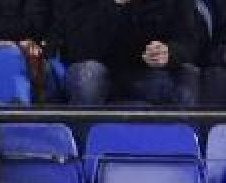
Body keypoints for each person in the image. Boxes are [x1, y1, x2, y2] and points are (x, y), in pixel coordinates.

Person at [52, 0, 199, 106]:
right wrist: (114, 6)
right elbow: (79, 49)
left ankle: (179, 147)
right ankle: (84, 146)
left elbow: (188, 40)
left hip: (145, 73)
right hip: (95, 67)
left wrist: (169, 52)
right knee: (89, 76)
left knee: (186, 76)